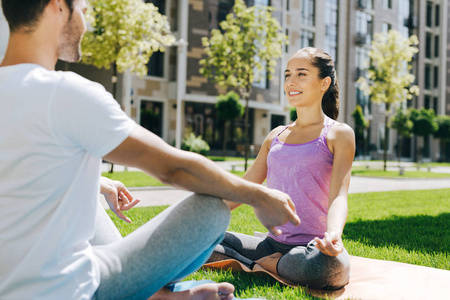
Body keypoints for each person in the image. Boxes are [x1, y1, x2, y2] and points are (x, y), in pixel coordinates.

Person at [0, 0, 301, 299]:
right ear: (58, 7)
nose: (86, 25)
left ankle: (157, 295)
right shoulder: (66, 93)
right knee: (211, 210)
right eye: (83, 11)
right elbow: (173, 168)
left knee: (86, 192)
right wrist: (258, 195)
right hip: (70, 290)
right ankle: (152, 296)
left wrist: (97, 182)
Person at [207, 47, 355, 290]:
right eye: (287, 75)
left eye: (301, 74)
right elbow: (244, 189)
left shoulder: (339, 134)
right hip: (271, 244)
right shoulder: (276, 135)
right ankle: (271, 263)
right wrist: (198, 218)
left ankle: (262, 265)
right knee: (201, 239)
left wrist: (333, 235)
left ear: (324, 83)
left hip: (314, 249)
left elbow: (339, 194)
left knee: (330, 268)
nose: (291, 82)